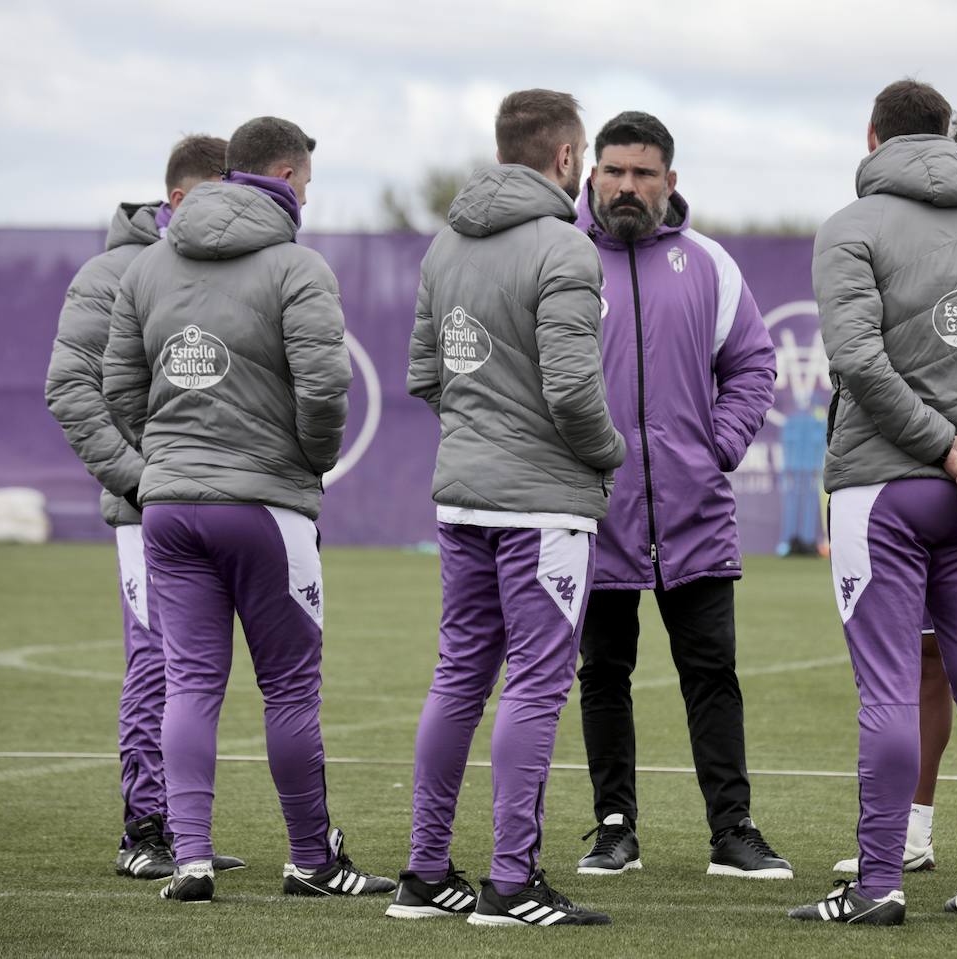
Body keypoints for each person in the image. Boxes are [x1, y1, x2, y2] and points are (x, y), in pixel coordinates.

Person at [789, 79, 957, 926]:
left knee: (889, 691)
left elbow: (858, 361)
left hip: (886, 488)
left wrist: (938, 444)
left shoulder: (850, 226)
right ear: (947, 137)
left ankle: (877, 883)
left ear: (872, 135)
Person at [103, 116, 392, 904]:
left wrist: (165, 452)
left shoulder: (148, 265)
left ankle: (189, 856)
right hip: (266, 506)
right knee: (290, 688)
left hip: (167, 508)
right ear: (292, 178)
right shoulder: (298, 266)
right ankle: (311, 859)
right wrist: (308, 457)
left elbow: (119, 389)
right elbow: (327, 388)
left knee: (191, 682)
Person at [394, 89, 626, 928]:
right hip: (543, 508)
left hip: (464, 496)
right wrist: (610, 455)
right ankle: (510, 881)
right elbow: (572, 390)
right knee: (535, 683)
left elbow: (425, 373)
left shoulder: (445, 243)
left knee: (459, 675)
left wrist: (482, 428)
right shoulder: (564, 248)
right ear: (568, 158)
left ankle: (423, 873)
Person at [569, 111, 788, 880]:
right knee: (602, 674)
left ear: (670, 181)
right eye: (614, 171)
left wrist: (716, 446)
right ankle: (613, 827)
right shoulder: (560, 259)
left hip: (694, 515)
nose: (627, 186)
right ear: (591, 174)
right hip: (594, 515)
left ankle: (733, 829)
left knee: (712, 674)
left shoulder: (710, 265)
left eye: (643, 173)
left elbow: (755, 363)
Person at [46, 135, 250, 880]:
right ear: (178, 201)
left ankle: (185, 828)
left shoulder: (229, 270)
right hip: (148, 510)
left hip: (220, 506)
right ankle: (146, 826)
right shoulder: (109, 275)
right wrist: (137, 481)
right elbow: (69, 390)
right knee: (158, 662)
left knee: (197, 669)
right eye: (224, 196)